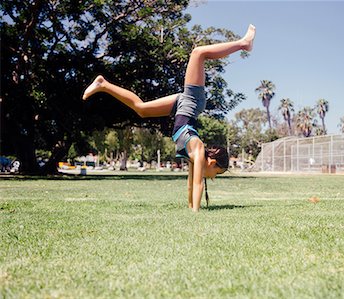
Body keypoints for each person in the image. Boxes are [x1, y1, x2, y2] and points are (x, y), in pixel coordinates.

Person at [82, 24, 256, 212]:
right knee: (198, 53)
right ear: (212, 163)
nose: (212, 178)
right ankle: (243, 43)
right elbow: (198, 184)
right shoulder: (197, 150)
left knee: (141, 109)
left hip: (182, 106)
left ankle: (103, 84)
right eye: (216, 174)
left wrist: (191, 208)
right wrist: (196, 214)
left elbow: (191, 184)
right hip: (192, 101)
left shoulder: (193, 156)